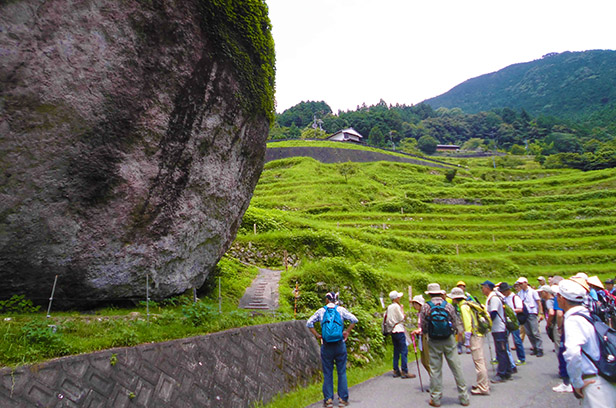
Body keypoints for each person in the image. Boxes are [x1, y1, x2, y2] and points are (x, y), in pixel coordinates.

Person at [559, 279, 616, 407]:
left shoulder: (573, 320)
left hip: (593, 381)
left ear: (562, 298)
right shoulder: (587, 315)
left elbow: (573, 353)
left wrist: (576, 382)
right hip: (604, 376)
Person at [415, 283, 469, 407]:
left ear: (429, 293)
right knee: (456, 367)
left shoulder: (426, 307)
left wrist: (427, 333)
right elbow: (455, 322)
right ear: (440, 293)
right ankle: (464, 397)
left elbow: (423, 325)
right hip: (448, 339)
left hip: (433, 340)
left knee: (435, 369)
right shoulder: (448, 306)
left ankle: (436, 398)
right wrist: (455, 334)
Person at [307, 292, 358, 408]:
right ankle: (342, 399)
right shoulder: (340, 310)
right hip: (339, 344)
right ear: (335, 300)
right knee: (341, 372)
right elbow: (354, 320)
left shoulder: (321, 311)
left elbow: (309, 323)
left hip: (326, 345)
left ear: (326, 300)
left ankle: (328, 400)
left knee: (328, 373)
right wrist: (347, 331)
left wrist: (317, 335)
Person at [450, 287, 490, 396]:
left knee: (478, 361)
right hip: (479, 334)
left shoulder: (463, 307)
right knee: (481, 360)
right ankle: (482, 383)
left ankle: (483, 387)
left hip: (474, 335)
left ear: (455, 298)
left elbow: (467, 325)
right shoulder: (469, 304)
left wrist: (467, 340)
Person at [482, 280, 513, 383]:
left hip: (499, 328)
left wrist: (487, 323)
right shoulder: (492, 297)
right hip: (498, 328)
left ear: (487, 288)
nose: (482, 289)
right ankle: (508, 370)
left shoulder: (494, 298)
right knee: (502, 349)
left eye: (483, 287)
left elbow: (494, 313)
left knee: (501, 350)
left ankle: (502, 373)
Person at [386, 290, 416, 379]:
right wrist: (402, 309)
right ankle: (404, 371)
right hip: (399, 330)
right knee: (404, 351)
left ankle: (396, 370)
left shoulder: (389, 307)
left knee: (396, 351)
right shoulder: (396, 307)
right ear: (396, 298)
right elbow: (402, 317)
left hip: (392, 330)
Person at [516, 277, 544, 357]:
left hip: (532, 312)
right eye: (519, 284)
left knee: (535, 332)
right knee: (528, 332)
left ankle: (539, 348)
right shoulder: (519, 293)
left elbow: (538, 302)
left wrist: (540, 313)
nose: (520, 285)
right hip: (524, 314)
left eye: (521, 283)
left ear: (526, 283)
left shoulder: (533, 292)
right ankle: (534, 347)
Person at [498, 282, 525, 366]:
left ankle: (521, 358)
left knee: (517, 340)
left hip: (513, 320)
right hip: (506, 321)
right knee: (504, 339)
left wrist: (510, 311)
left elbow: (520, 309)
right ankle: (507, 357)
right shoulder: (504, 298)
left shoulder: (515, 297)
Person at [411, 294, 431, 376]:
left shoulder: (424, 312)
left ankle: (434, 381)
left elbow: (426, 325)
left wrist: (419, 330)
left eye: (415, 304)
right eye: (413, 304)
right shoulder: (420, 313)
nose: (414, 306)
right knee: (424, 361)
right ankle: (433, 380)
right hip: (422, 336)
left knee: (427, 360)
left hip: (426, 336)